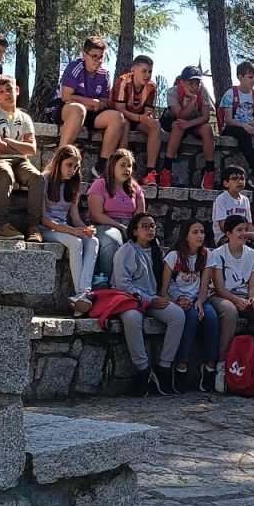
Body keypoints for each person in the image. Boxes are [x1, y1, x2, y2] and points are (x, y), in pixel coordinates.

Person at [112, 211, 186, 396]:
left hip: (153, 299)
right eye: (145, 226)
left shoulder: (156, 250)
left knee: (177, 315)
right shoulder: (126, 251)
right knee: (132, 319)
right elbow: (123, 285)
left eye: (152, 226)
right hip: (131, 300)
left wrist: (177, 297)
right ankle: (143, 370)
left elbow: (166, 281)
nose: (150, 229)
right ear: (135, 231)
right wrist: (150, 300)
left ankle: (164, 368)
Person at [206, 214, 254, 393]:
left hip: (245, 296)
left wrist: (252, 298)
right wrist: (236, 300)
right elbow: (219, 288)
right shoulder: (217, 254)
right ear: (228, 233)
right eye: (239, 230)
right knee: (229, 311)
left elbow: (253, 285)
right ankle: (223, 364)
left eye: (246, 230)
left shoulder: (253, 254)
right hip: (222, 297)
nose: (244, 233)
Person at [0, 74, 44, 240]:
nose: (6, 94)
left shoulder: (25, 118)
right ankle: (2, 226)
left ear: (17, 90)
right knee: (5, 173)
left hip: (20, 161)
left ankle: (33, 227)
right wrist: (19, 147)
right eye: (1, 91)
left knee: (37, 178)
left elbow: (32, 149)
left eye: (9, 89)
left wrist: (9, 141)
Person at [38, 142, 98, 311]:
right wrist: (71, 231)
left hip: (64, 228)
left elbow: (75, 217)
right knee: (75, 242)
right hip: (47, 229)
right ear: (58, 163)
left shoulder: (73, 183)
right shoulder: (44, 179)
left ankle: (83, 293)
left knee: (93, 241)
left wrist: (86, 229)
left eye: (76, 166)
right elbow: (43, 219)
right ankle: (82, 294)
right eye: (69, 165)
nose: (72, 170)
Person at [55, 37, 125, 165]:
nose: (98, 61)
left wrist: (95, 104)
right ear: (84, 55)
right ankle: (59, 160)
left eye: (101, 57)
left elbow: (103, 102)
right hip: (69, 109)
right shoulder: (75, 67)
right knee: (79, 110)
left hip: (91, 112)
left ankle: (101, 166)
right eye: (94, 56)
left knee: (117, 117)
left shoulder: (105, 74)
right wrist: (90, 102)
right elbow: (66, 96)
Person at [162, 220, 212, 388]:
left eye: (202, 232)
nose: (200, 236)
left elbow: (204, 288)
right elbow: (164, 290)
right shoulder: (173, 256)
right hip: (177, 300)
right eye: (195, 232)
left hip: (199, 299)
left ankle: (210, 366)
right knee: (191, 317)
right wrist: (177, 301)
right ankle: (181, 365)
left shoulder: (206, 255)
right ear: (186, 236)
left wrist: (199, 301)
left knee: (211, 317)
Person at [87, 148, 146, 279]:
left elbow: (140, 215)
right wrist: (120, 226)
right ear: (113, 166)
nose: (127, 169)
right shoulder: (100, 184)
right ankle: (106, 278)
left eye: (129, 166)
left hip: (130, 225)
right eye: (122, 165)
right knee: (113, 240)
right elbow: (95, 214)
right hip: (105, 224)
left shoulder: (135, 188)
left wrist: (132, 228)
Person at [218, 61, 254, 190]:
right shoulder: (231, 93)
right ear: (240, 77)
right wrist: (244, 126)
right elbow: (228, 119)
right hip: (234, 126)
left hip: (250, 125)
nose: (253, 80)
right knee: (244, 135)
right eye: (250, 77)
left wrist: (253, 125)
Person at [159, 66, 216, 189]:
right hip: (176, 121)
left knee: (207, 129)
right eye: (191, 83)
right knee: (178, 126)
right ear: (182, 82)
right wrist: (193, 100)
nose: (195, 87)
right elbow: (180, 115)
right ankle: (166, 169)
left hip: (194, 122)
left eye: (197, 83)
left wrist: (189, 124)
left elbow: (206, 117)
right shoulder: (172, 92)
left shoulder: (203, 92)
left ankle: (210, 171)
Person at [112, 54, 163, 186]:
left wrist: (147, 119)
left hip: (139, 119)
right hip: (121, 117)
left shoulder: (151, 87)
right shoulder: (123, 81)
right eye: (144, 71)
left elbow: (148, 112)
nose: (147, 75)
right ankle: (120, 169)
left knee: (155, 125)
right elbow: (120, 109)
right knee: (125, 124)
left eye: (150, 71)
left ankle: (150, 173)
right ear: (133, 70)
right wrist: (140, 117)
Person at [210, 164, 253, 243]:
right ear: (226, 183)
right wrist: (242, 234)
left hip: (242, 236)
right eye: (235, 178)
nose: (240, 181)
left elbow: (249, 224)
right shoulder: (221, 199)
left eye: (242, 178)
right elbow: (223, 226)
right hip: (225, 236)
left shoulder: (245, 200)